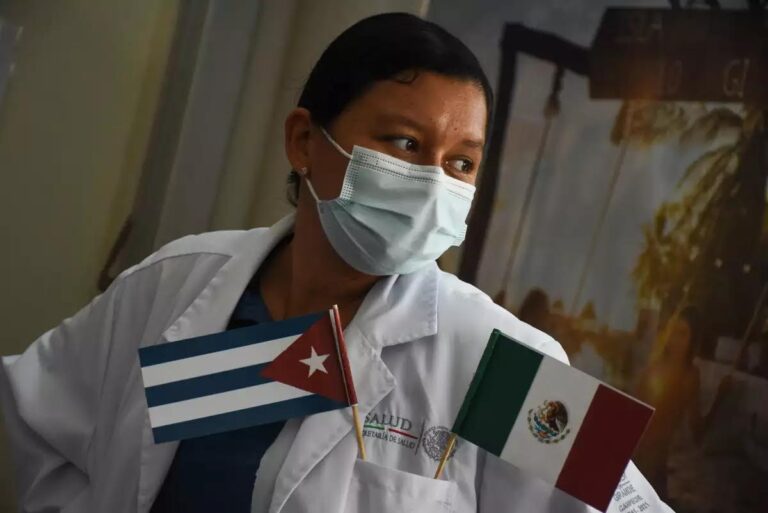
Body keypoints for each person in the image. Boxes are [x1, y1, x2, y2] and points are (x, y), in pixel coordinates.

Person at [0, 13, 672, 513]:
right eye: (404, 143)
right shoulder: (180, 285)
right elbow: (39, 419)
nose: (433, 182)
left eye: (462, 162)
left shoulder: (501, 362)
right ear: (303, 141)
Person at [634, 306, 732, 498]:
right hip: (634, 459)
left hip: (652, 469)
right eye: (673, 330)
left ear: (692, 340)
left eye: (682, 333)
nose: (674, 339)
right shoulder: (655, 365)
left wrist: (719, 398)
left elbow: (698, 433)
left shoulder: (689, 376)